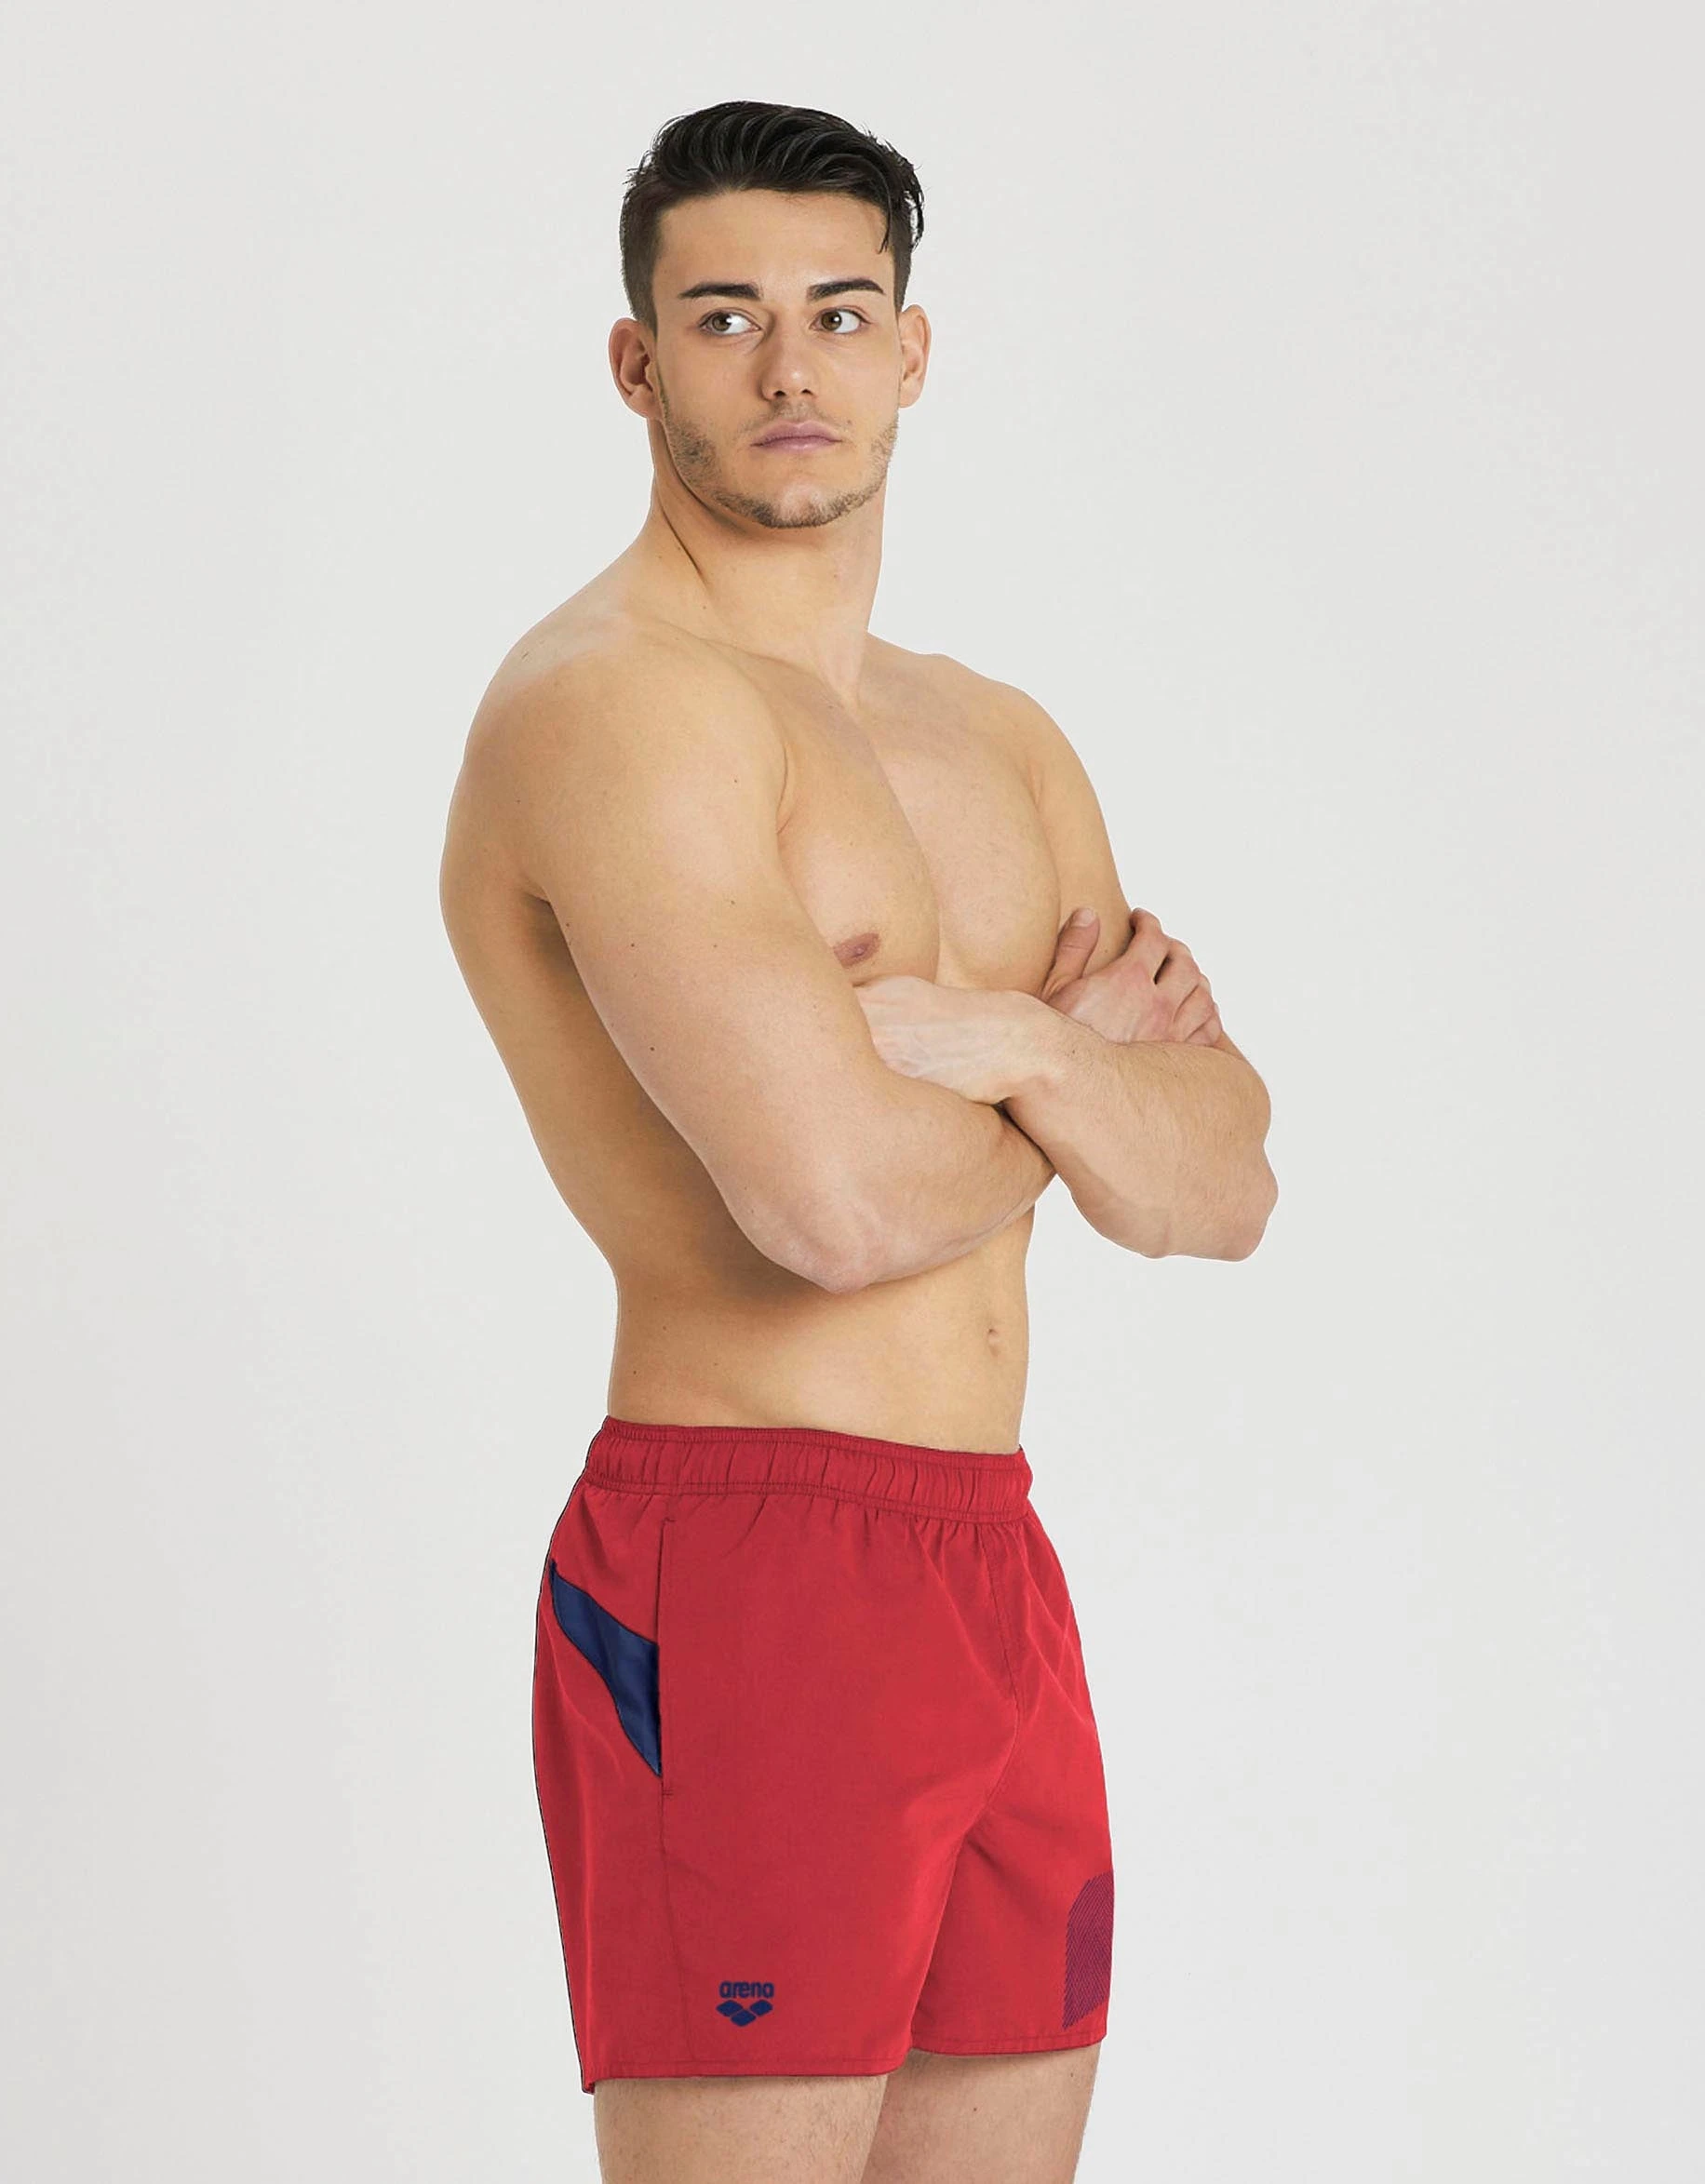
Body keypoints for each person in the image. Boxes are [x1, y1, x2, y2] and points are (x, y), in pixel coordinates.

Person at [438, 97, 1276, 2184]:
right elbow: (826, 1206)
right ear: (637, 363)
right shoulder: (617, 708)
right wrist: (1077, 1081)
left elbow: (1223, 1182)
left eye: (838, 311)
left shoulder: (995, 735)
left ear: (914, 351)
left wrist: (1010, 1043)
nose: (788, 366)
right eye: (725, 316)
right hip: (747, 1562)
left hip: (992, 1562)